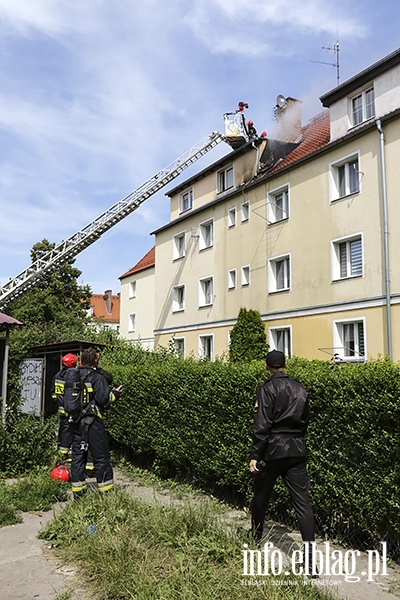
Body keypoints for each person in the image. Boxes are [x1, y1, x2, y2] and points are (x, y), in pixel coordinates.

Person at [249, 350, 315, 552]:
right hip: (296, 449)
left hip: (273, 450)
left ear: (266, 367)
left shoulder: (266, 389)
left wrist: (255, 455)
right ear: (285, 364)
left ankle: (255, 539)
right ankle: (311, 559)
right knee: (303, 504)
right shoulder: (300, 388)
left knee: (260, 497)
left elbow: (262, 425)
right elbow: (305, 419)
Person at [70, 347, 122, 499]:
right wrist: (115, 394)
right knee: (101, 457)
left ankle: (78, 493)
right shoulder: (97, 377)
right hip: (93, 422)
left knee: (78, 456)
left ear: (81, 360)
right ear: (96, 361)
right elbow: (103, 399)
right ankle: (106, 493)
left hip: (75, 421)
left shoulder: (73, 375)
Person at [51, 353, 78, 464]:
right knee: (68, 432)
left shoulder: (57, 376)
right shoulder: (70, 377)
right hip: (69, 409)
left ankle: (61, 453)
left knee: (63, 430)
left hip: (61, 408)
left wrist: (58, 402)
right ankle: (63, 456)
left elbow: (53, 392)